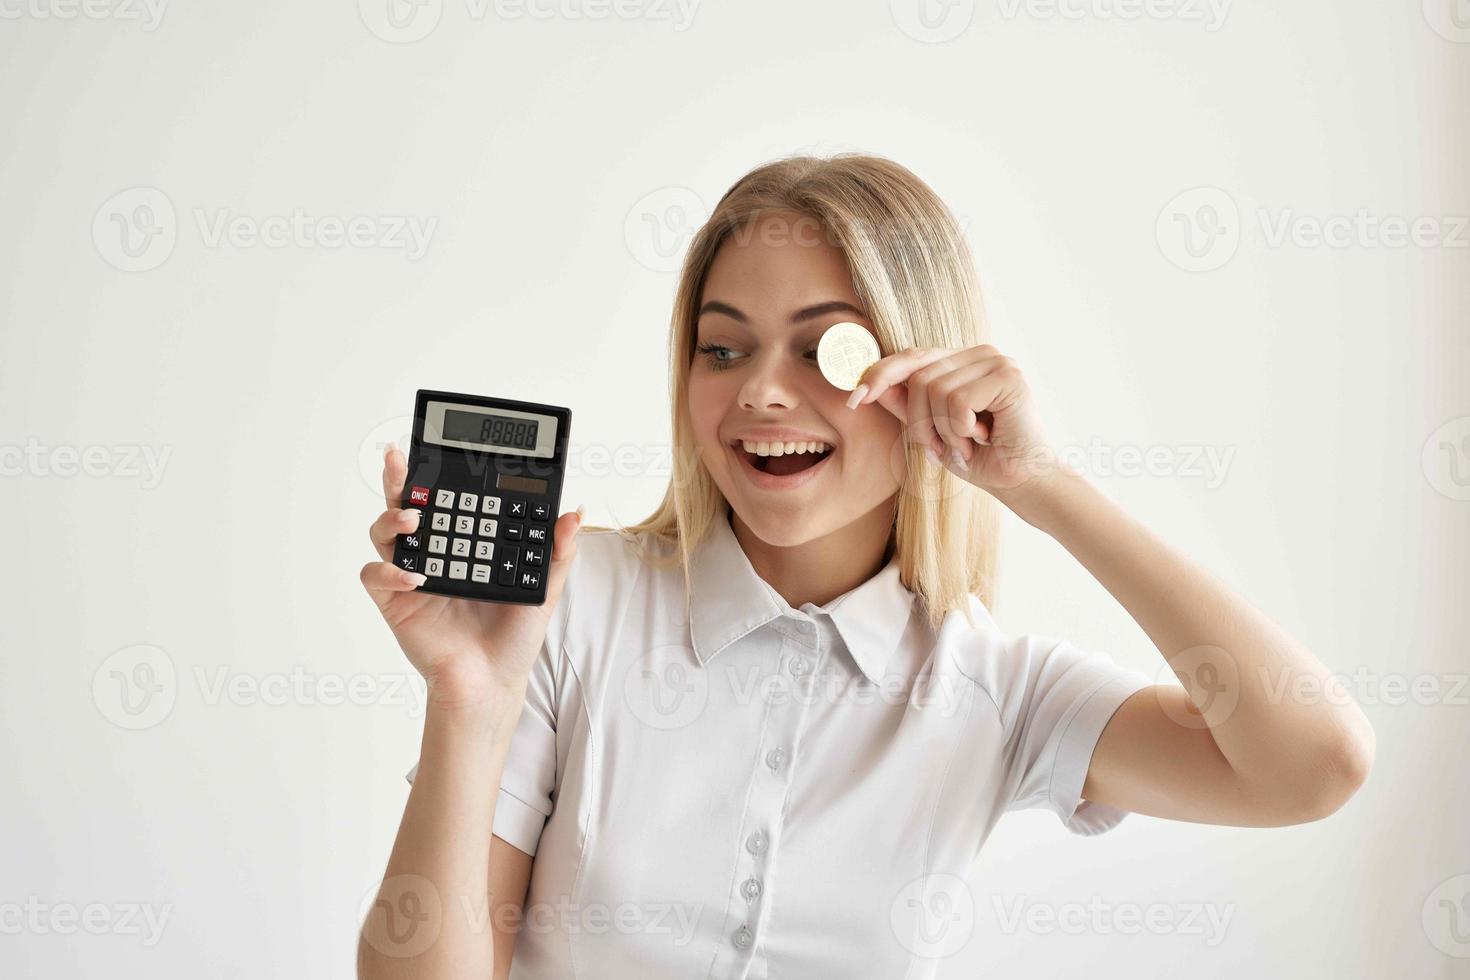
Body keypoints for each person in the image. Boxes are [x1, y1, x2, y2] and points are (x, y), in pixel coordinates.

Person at [357, 154, 1374, 979]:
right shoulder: (573, 608)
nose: (759, 392)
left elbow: (1313, 761)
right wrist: (468, 698)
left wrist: (1042, 484)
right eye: (722, 349)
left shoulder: (993, 687)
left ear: (918, 374)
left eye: (821, 351)